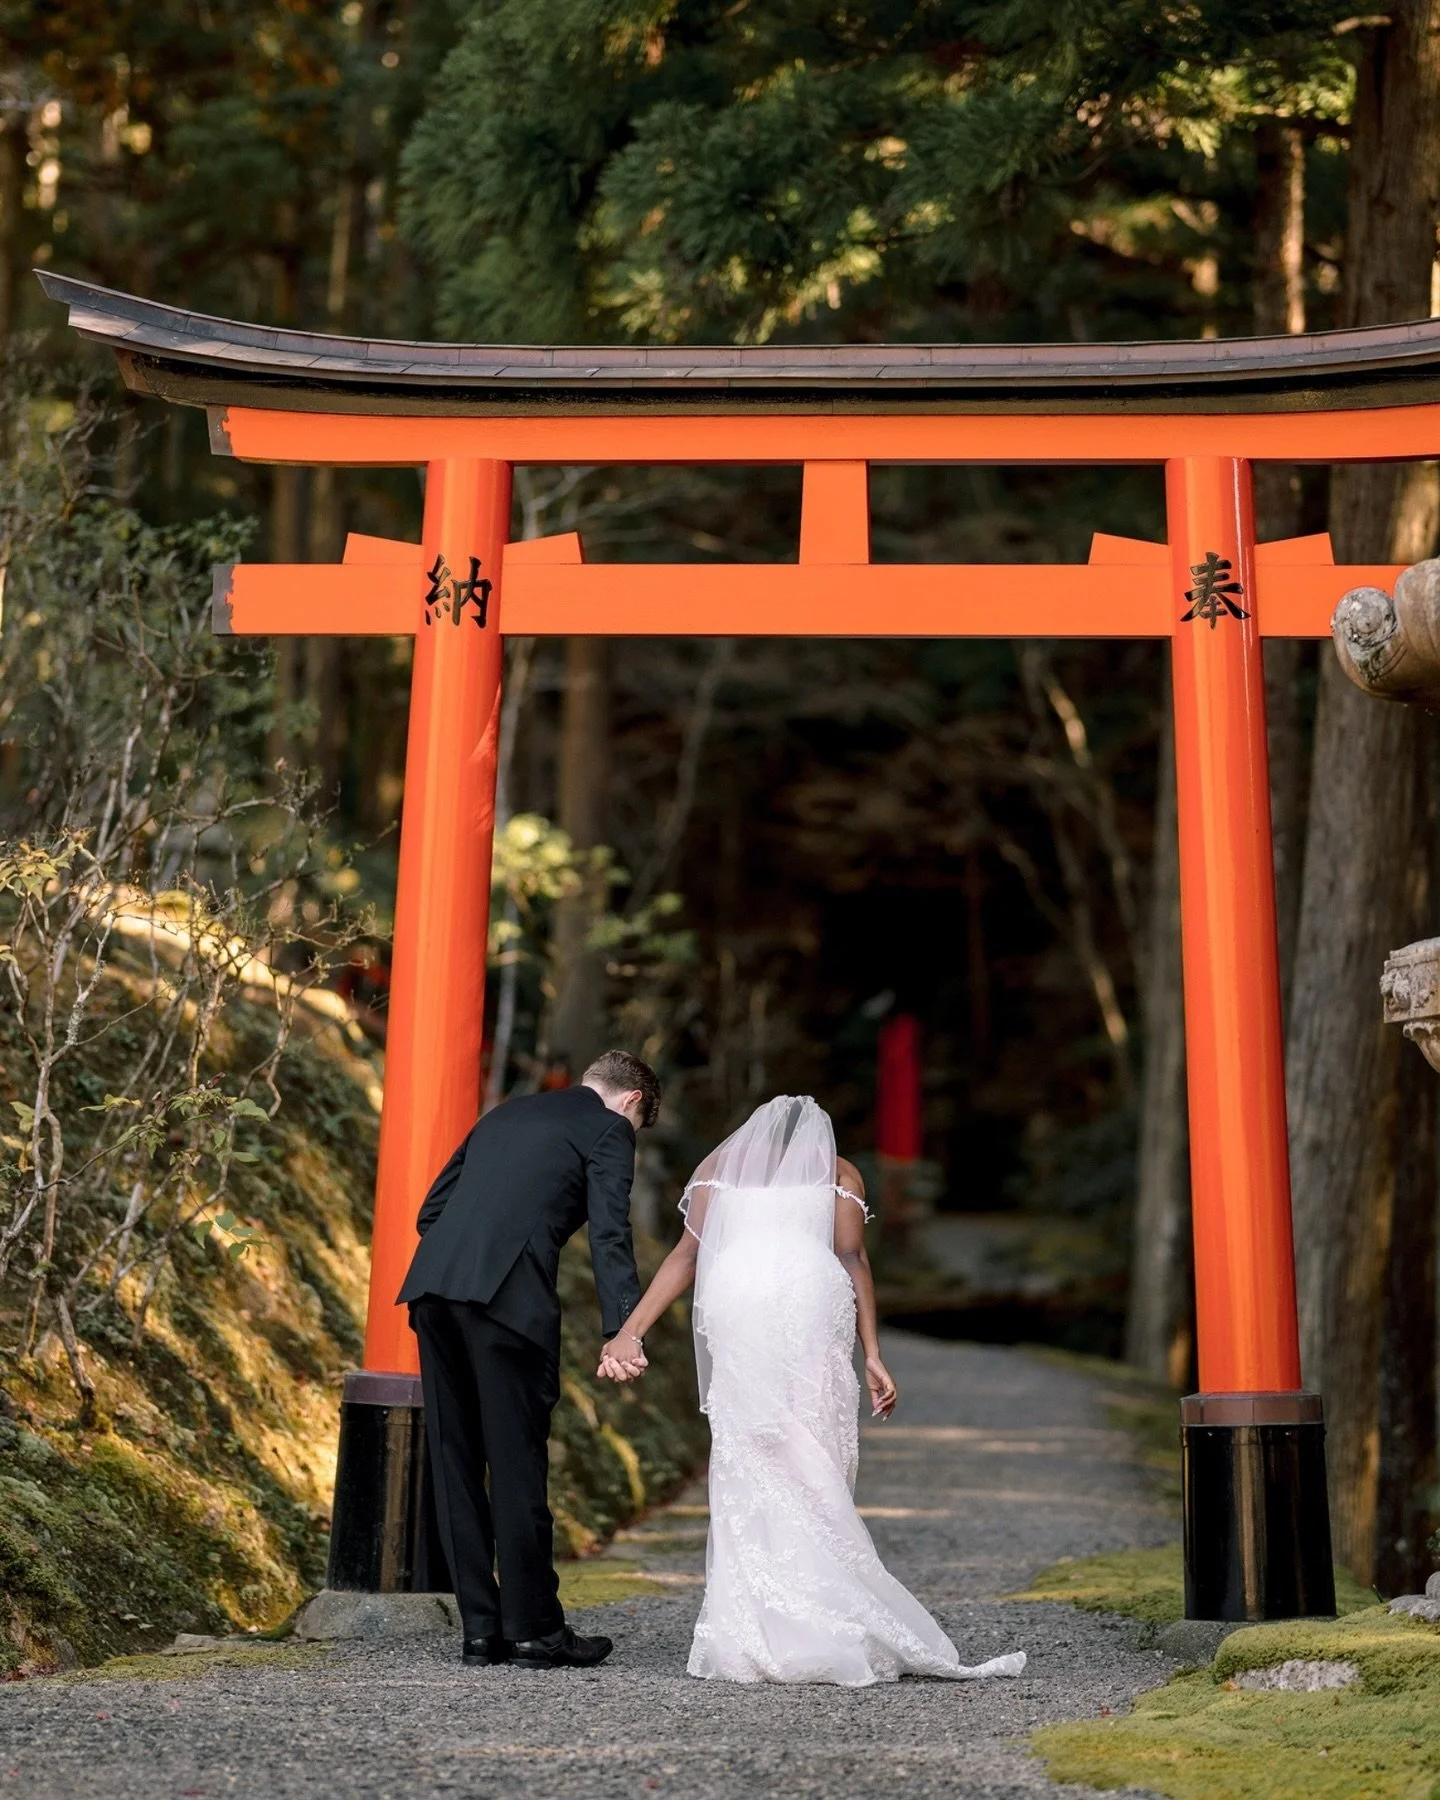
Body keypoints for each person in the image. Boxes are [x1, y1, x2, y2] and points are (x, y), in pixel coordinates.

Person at [598, 1095, 1027, 1687]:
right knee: (814, 1447)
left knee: (748, 1451)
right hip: (809, 1297)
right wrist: (873, 1353)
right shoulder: (841, 1173)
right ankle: (829, 1608)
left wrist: (629, 1332)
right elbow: (853, 1259)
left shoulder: (716, 1170)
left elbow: (686, 1256)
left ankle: (751, 1630)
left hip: (738, 1298)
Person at [398, 1048, 661, 1671]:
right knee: (516, 1462)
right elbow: (609, 1231)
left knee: (454, 1460)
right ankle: (536, 1632)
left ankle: (480, 1633)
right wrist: (624, 1327)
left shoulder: (505, 1114)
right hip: (506, 1302)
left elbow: (429, 1213)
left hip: (433, 1290)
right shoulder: (609, 1129)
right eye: (638, 1123)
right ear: (632, 1102)